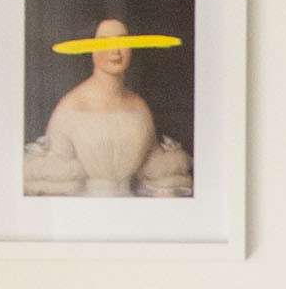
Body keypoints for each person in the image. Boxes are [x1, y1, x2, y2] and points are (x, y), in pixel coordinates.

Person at [23, 15, 192, 199]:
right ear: (90, 48)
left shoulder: (138, 105)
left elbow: (154, 176)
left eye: (123, 41)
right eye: (104, 43)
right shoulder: (71, 106)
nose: (115, 51)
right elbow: (54, 191)